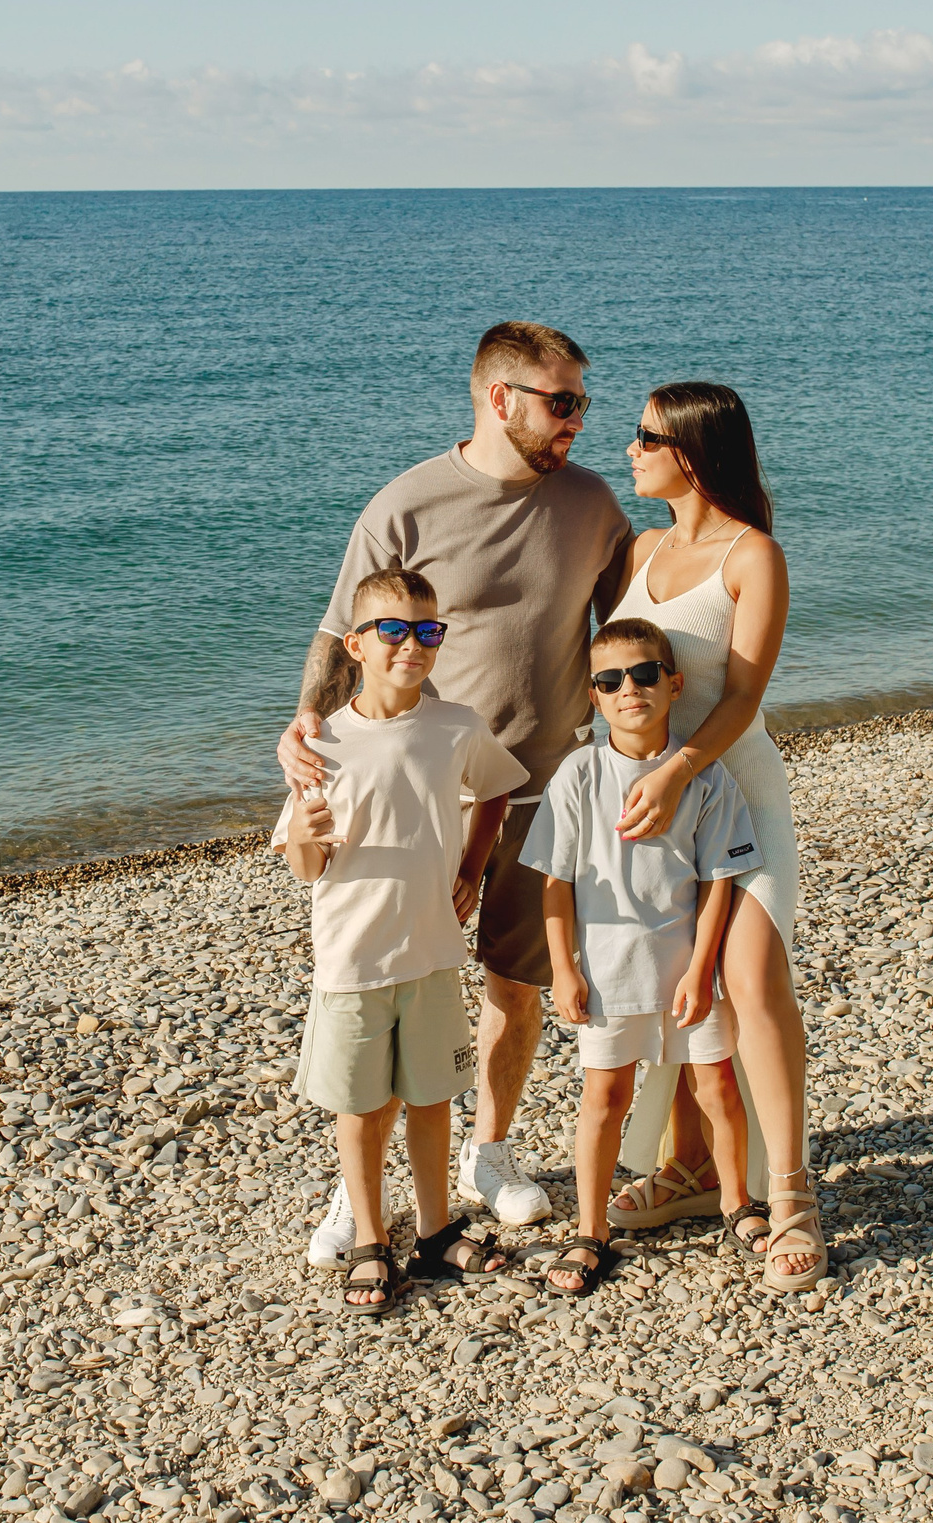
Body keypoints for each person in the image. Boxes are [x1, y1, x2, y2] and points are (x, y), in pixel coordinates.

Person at [279, 322, 634, 1260]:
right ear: (499, 397)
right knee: (386, 992)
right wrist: (306, 729)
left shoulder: (594, 504)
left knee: (514, 987)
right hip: (413, 800)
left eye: (583, 403)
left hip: (541, 791)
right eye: (562, 403)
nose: (577, 421)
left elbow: (628, 636)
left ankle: (490, 1152)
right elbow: (340, 635)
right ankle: (357, 1198)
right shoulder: (405, 504)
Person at [601, 383, 823, 1292]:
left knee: (749, 976)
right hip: (657, 805)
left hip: (735, 793)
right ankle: (693, 1168)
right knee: (670, 985)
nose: (629, 449)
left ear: (692, 450)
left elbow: (741, 699)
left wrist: (675, 769)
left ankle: (795, 1197)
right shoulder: (639, 547)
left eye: (647, 435)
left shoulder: (753, 555)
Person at [273, 567, 522, 1312]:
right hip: (352, 960)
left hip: (434, 952)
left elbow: (497, 786)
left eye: (427, 630)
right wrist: (308, 840)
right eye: (393, 630)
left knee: (433, 1095)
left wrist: (475, 865)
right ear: (356, 643)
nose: (412, 644)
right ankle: (371, 1238)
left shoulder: (456, 726)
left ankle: (439, 1229)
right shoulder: (324, 744)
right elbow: (303, 863)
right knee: (361, 1104)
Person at [525, 617, 762, 1296]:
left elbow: (719, 878)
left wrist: (701, 966)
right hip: (607, 966)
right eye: (609, 680)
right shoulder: (580, 774)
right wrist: (564, 966)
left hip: (686, 964)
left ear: (673, 682)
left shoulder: (705, 777)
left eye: (644, 673)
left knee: (716, 1084)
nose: (629, 688)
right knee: (605, 1095)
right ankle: (591, 1229)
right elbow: (555, 880)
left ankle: (736, 1203)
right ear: (594, 698)